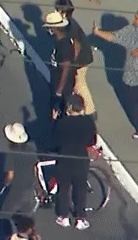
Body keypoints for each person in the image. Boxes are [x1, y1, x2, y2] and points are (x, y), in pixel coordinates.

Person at [53, 94, 96, 230]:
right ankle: (80, 218)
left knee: (64, 189)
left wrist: (54, 121)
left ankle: (63, 217)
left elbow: (54, 141)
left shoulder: (62, 123)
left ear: (69, 108)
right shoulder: (89, 122)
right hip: (81, 160)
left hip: (64, 160)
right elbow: (91, 141)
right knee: (80, 189)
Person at [92, 13, 138, 138]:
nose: (135, 19)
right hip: (131, 78)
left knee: (132, 105)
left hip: (132, 79)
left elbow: (113, 37)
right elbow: (113, 37)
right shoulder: (131, 30)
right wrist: (97, 32)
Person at [54, 0, 96, 120]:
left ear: (62, 12)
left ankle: (90, 111)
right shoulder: (68, 23)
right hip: (82, 57)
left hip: (81, 60)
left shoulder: (69, 28)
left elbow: (76, 47)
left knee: (80, 84)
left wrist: (73, 64)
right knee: (79, 84)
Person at [0, 123, 38, 235]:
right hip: (29, 186)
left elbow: (10, 175)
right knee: (27, 216)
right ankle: (30, 233)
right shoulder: (31, 149)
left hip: (17, 188)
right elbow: (35, 169)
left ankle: (9, 236)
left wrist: (5, 184)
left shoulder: (11, 154)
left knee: (4, 214)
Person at [43, 12, 76, 119]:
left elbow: (65, 69)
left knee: (59, 110)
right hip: (57, 80)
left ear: (54, 28)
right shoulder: (60, 39)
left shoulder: (64, 46)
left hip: (62, 86)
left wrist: (58, 91)